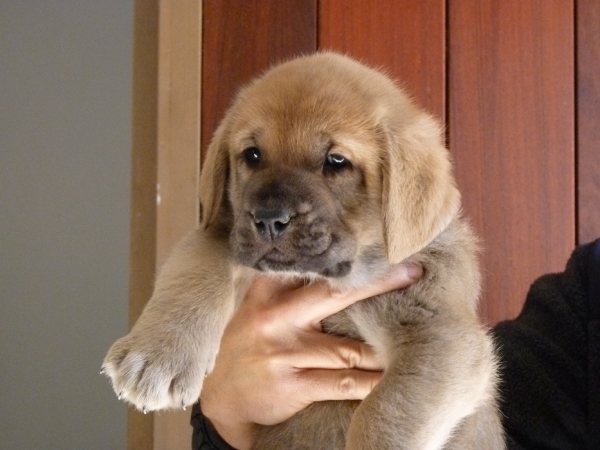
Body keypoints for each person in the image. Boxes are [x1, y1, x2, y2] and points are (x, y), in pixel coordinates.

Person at [191, 238, 600, 450]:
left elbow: (458, 359)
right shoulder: (587, 297)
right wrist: (224, 423)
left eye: (336, 163)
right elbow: (496, 424)